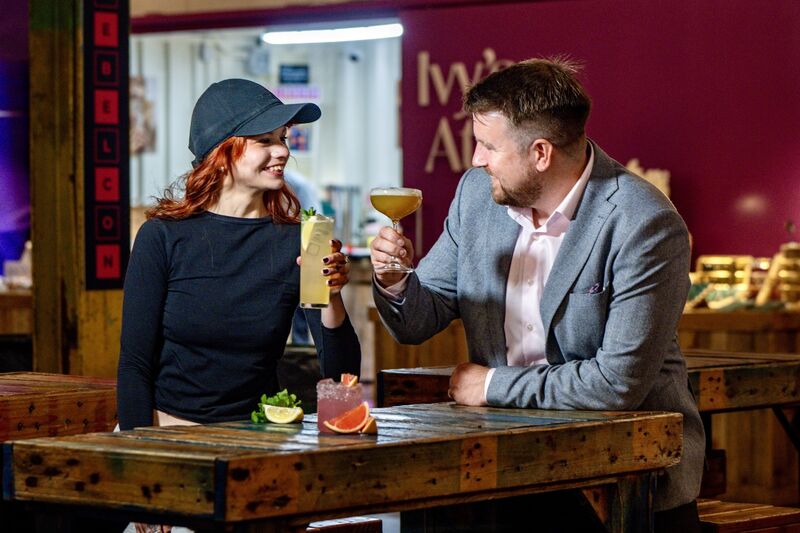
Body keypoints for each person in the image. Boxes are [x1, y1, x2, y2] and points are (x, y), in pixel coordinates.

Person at [370, 58, 703, 532]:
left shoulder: (644, 222)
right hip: (504, 469)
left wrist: (490, 385)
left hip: (623, 477)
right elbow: (418, 320)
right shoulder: (477, 196)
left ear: (541, 153)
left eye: (489, 146)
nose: (476, 160)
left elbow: (616, 384)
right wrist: (393, 278)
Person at [118, 78, 361, 433]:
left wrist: (332, 297)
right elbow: (134, 364)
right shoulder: (163, 237)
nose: (282, 151)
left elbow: (341, 378)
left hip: (260, 438)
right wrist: (136, 448)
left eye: (282, 138)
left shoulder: (304, 240)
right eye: (264, 140)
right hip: (169, 431)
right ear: (221, 153)